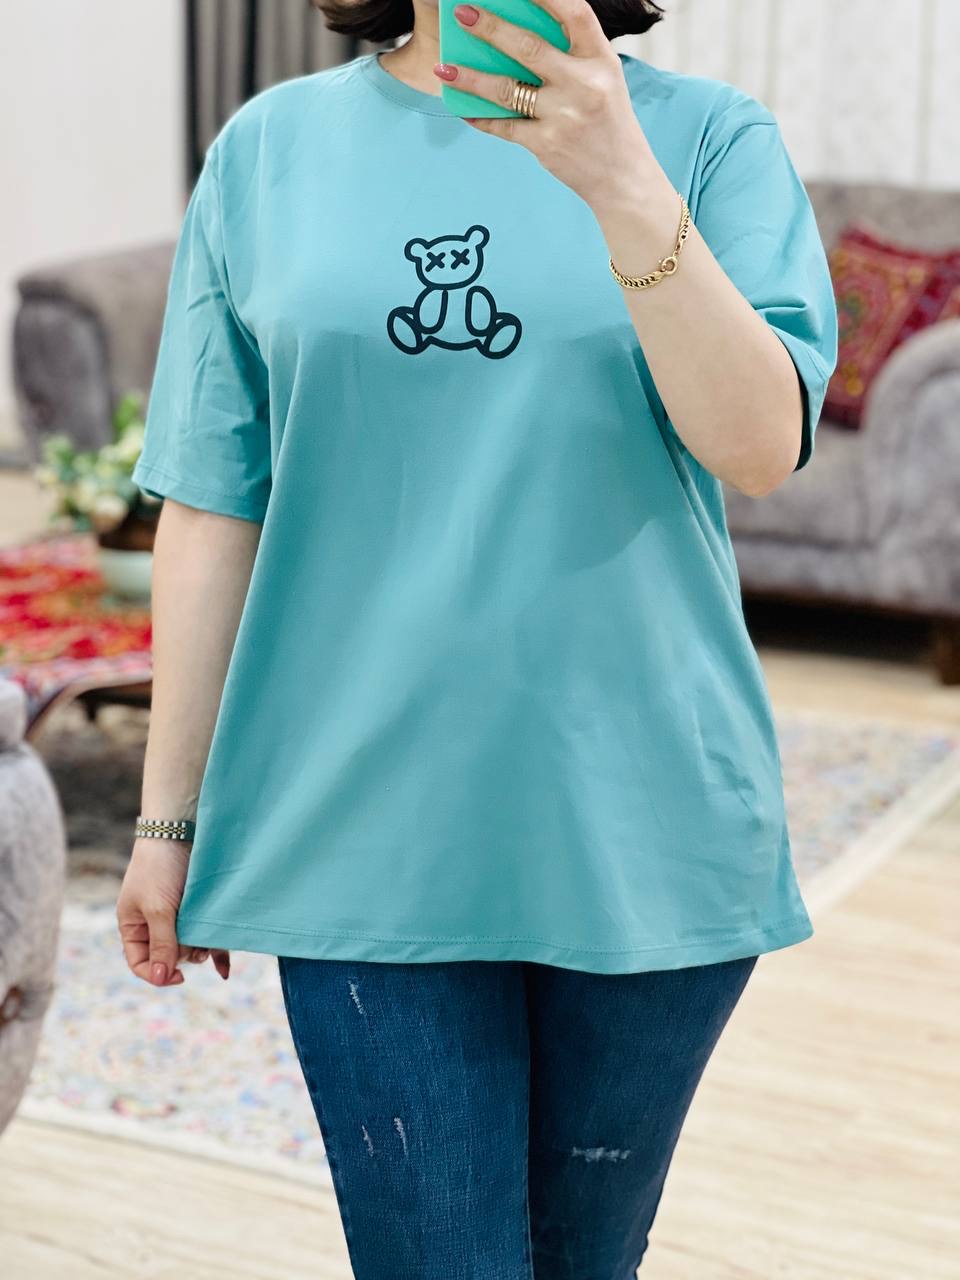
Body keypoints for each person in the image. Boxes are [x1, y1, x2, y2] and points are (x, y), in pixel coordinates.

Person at [116, 0, 838, 1272]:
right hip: (354, 819)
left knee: (584, 1258)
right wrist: (167, 820)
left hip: (643, 818)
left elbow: (759, 447)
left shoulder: (712, 140)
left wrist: (621, 180)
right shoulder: (268, 150)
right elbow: (215, 502)